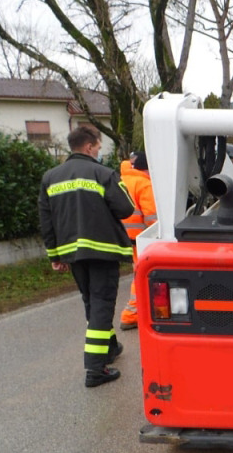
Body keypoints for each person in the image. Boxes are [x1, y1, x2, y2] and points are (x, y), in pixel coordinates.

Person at [38, 126, 134, 387]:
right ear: (90, 146)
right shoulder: (102, 173)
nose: (100, 151)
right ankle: (95, 369)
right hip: (103, 250)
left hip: (72, 253)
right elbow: (126, 208)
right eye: (99, 146)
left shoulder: (50, 178)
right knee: (102, 304)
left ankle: (109, 348)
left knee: (92, 302)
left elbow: (46, 220)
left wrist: (54, 255)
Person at [119, 150, 157, 330]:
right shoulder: (144, 184)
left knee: (136, 274)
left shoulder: (121, 180)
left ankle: (136, 312)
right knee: (140, 275)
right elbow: (152, 217)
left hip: (120, 238)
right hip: (139, 240)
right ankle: (131, 315)